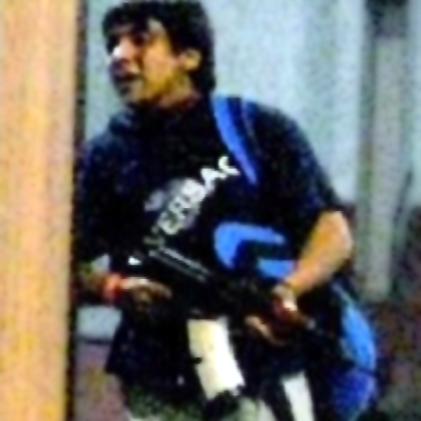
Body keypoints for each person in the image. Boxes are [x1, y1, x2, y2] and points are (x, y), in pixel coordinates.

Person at [74, 1, 378, 419]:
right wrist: (114, 289)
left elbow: (332, 233)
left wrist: (286, 291)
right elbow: (67, 268)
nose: (120, 56)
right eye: (113, 44)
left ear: (189, 56)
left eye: (141, 40)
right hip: (158, 380)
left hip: (266, 368)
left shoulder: (255, 129)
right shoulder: (104, 159)